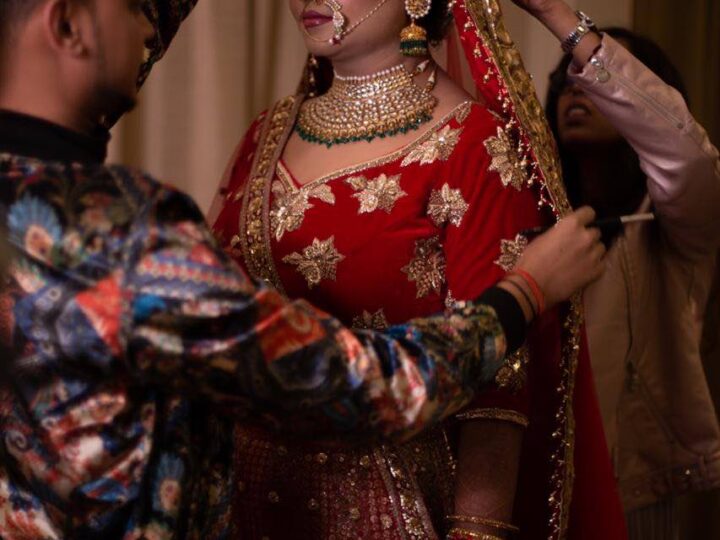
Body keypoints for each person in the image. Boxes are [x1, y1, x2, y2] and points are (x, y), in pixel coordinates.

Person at [0, 0, 604, 538]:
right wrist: (525, 293)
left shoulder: (471, 141)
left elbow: (499, 399)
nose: (147, 34)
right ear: (65, 25)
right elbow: (348, 383)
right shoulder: (129, 229)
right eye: (135, 8)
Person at [211, 0, 624, 538]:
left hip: (383, 509)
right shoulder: (266, 133)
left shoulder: (473, 144)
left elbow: (498, 382)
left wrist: (476, 531)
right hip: (237, 501)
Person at [541, 2, 720, 538]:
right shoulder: (536, 216)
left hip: (635, 492)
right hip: (535, 485)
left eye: (592, 75)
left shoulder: (678, 225)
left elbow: (686, 158)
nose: (575, 89)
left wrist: (557, 16)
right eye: (566, 80)